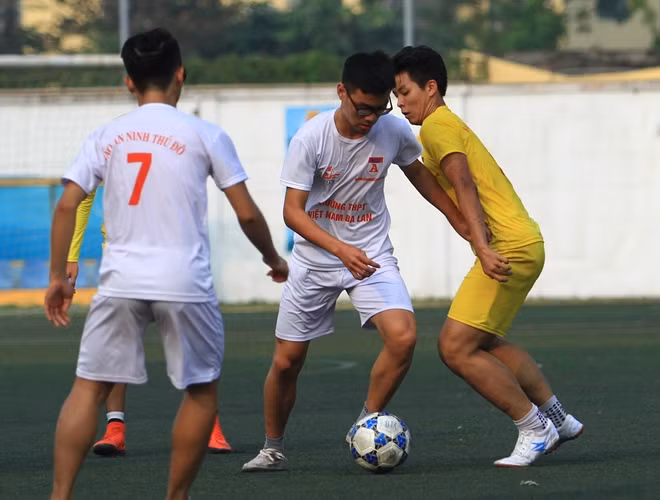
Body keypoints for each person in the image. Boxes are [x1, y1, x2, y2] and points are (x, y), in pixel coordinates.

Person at [44, 28, 288, 500]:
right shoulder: (205, 133)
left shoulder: (106, 135)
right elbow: (245, 212)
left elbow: (66, 205)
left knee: (88, 388)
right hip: (184, 281)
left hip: (121, 280)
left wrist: (57, 276)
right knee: (200, 392)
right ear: (181, 74)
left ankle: (60, 496)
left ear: (128, 82)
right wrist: (272, 258)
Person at [242, 51, 470, 472]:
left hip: (371, 255)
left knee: (403, 337)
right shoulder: (310, 138)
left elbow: (421, 176)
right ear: (341, 92)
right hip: (316, 261)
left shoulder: (392, 130)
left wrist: (459, 220)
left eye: (379, 108)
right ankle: (272, 448)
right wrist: (340, 250)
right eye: (362, 108)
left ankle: (365, 425)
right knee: (287, 362)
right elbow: (292, 213)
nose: (370, 118)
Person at [392, 45, 584, 467]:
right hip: (524, 240)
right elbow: (441, 188)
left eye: (405, 92)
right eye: (395, 95)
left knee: (454, 347)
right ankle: (558, 419)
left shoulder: (436, 126)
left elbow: (464, 184)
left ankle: (534, 429)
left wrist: (481, 246)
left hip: (508, 246)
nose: (400, 103)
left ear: (430, 87)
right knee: (485, 341)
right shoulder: (442, 125)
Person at [66, 189, 231, 457]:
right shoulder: (107, 158)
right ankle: (115, 429)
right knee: (116, 345)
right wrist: (71, 256)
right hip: (121, 259)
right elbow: (83, 198)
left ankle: (210, 425)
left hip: (171, 255)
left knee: (191, 341)